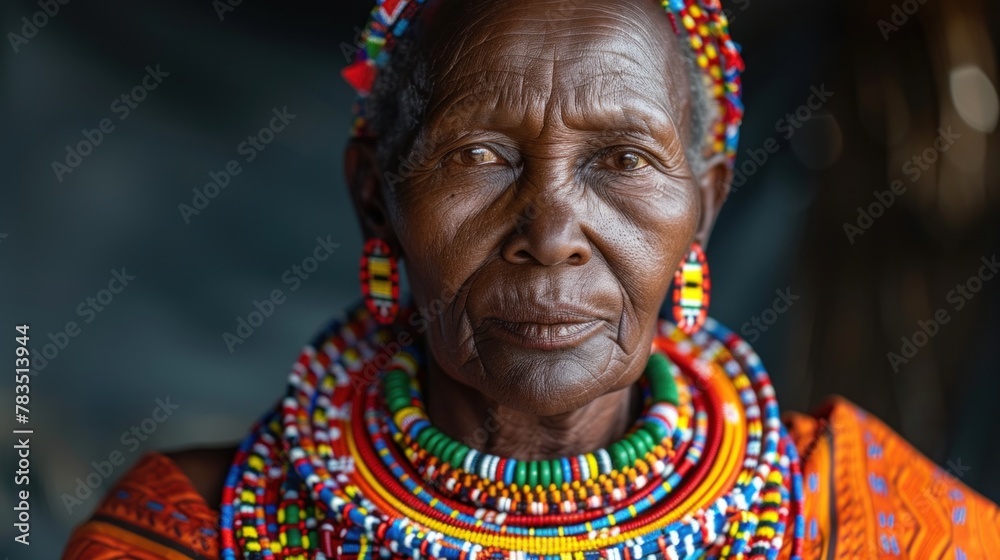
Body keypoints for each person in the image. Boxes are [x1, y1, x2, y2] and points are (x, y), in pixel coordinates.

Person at [64, 0, 1000, 558]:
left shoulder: (868, 525)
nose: (551, 234)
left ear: (706, 206)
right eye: (477, 155)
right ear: (378, 200)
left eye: (624, 159)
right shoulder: (193, 535)